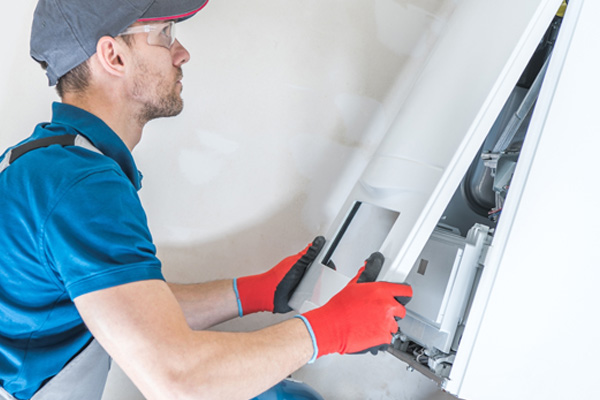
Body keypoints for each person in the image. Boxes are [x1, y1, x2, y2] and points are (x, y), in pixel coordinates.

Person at [0, 1, 413, 399]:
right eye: (164, 35)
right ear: (114, 56)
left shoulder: (44, 161)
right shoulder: (80, 184)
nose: (182, 53)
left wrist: (253, 291)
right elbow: (180, 382)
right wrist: (330, 329)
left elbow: (126, 306)